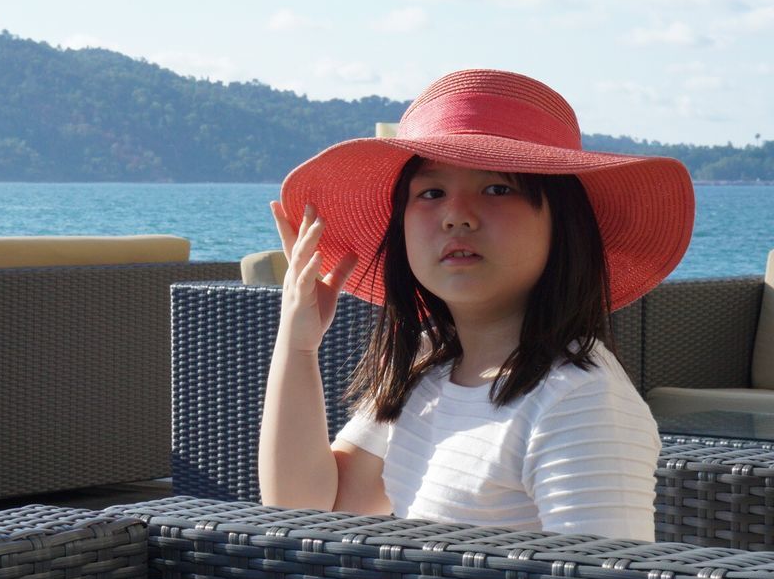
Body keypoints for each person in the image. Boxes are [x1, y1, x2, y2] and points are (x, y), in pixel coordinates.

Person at [258, 69, 694, 541]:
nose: (456, 216)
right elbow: (307, 508)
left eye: (497, 188)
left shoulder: (577, 398)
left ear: (563, 224)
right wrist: (298, 344)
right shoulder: (428, 366)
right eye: (431, 193)